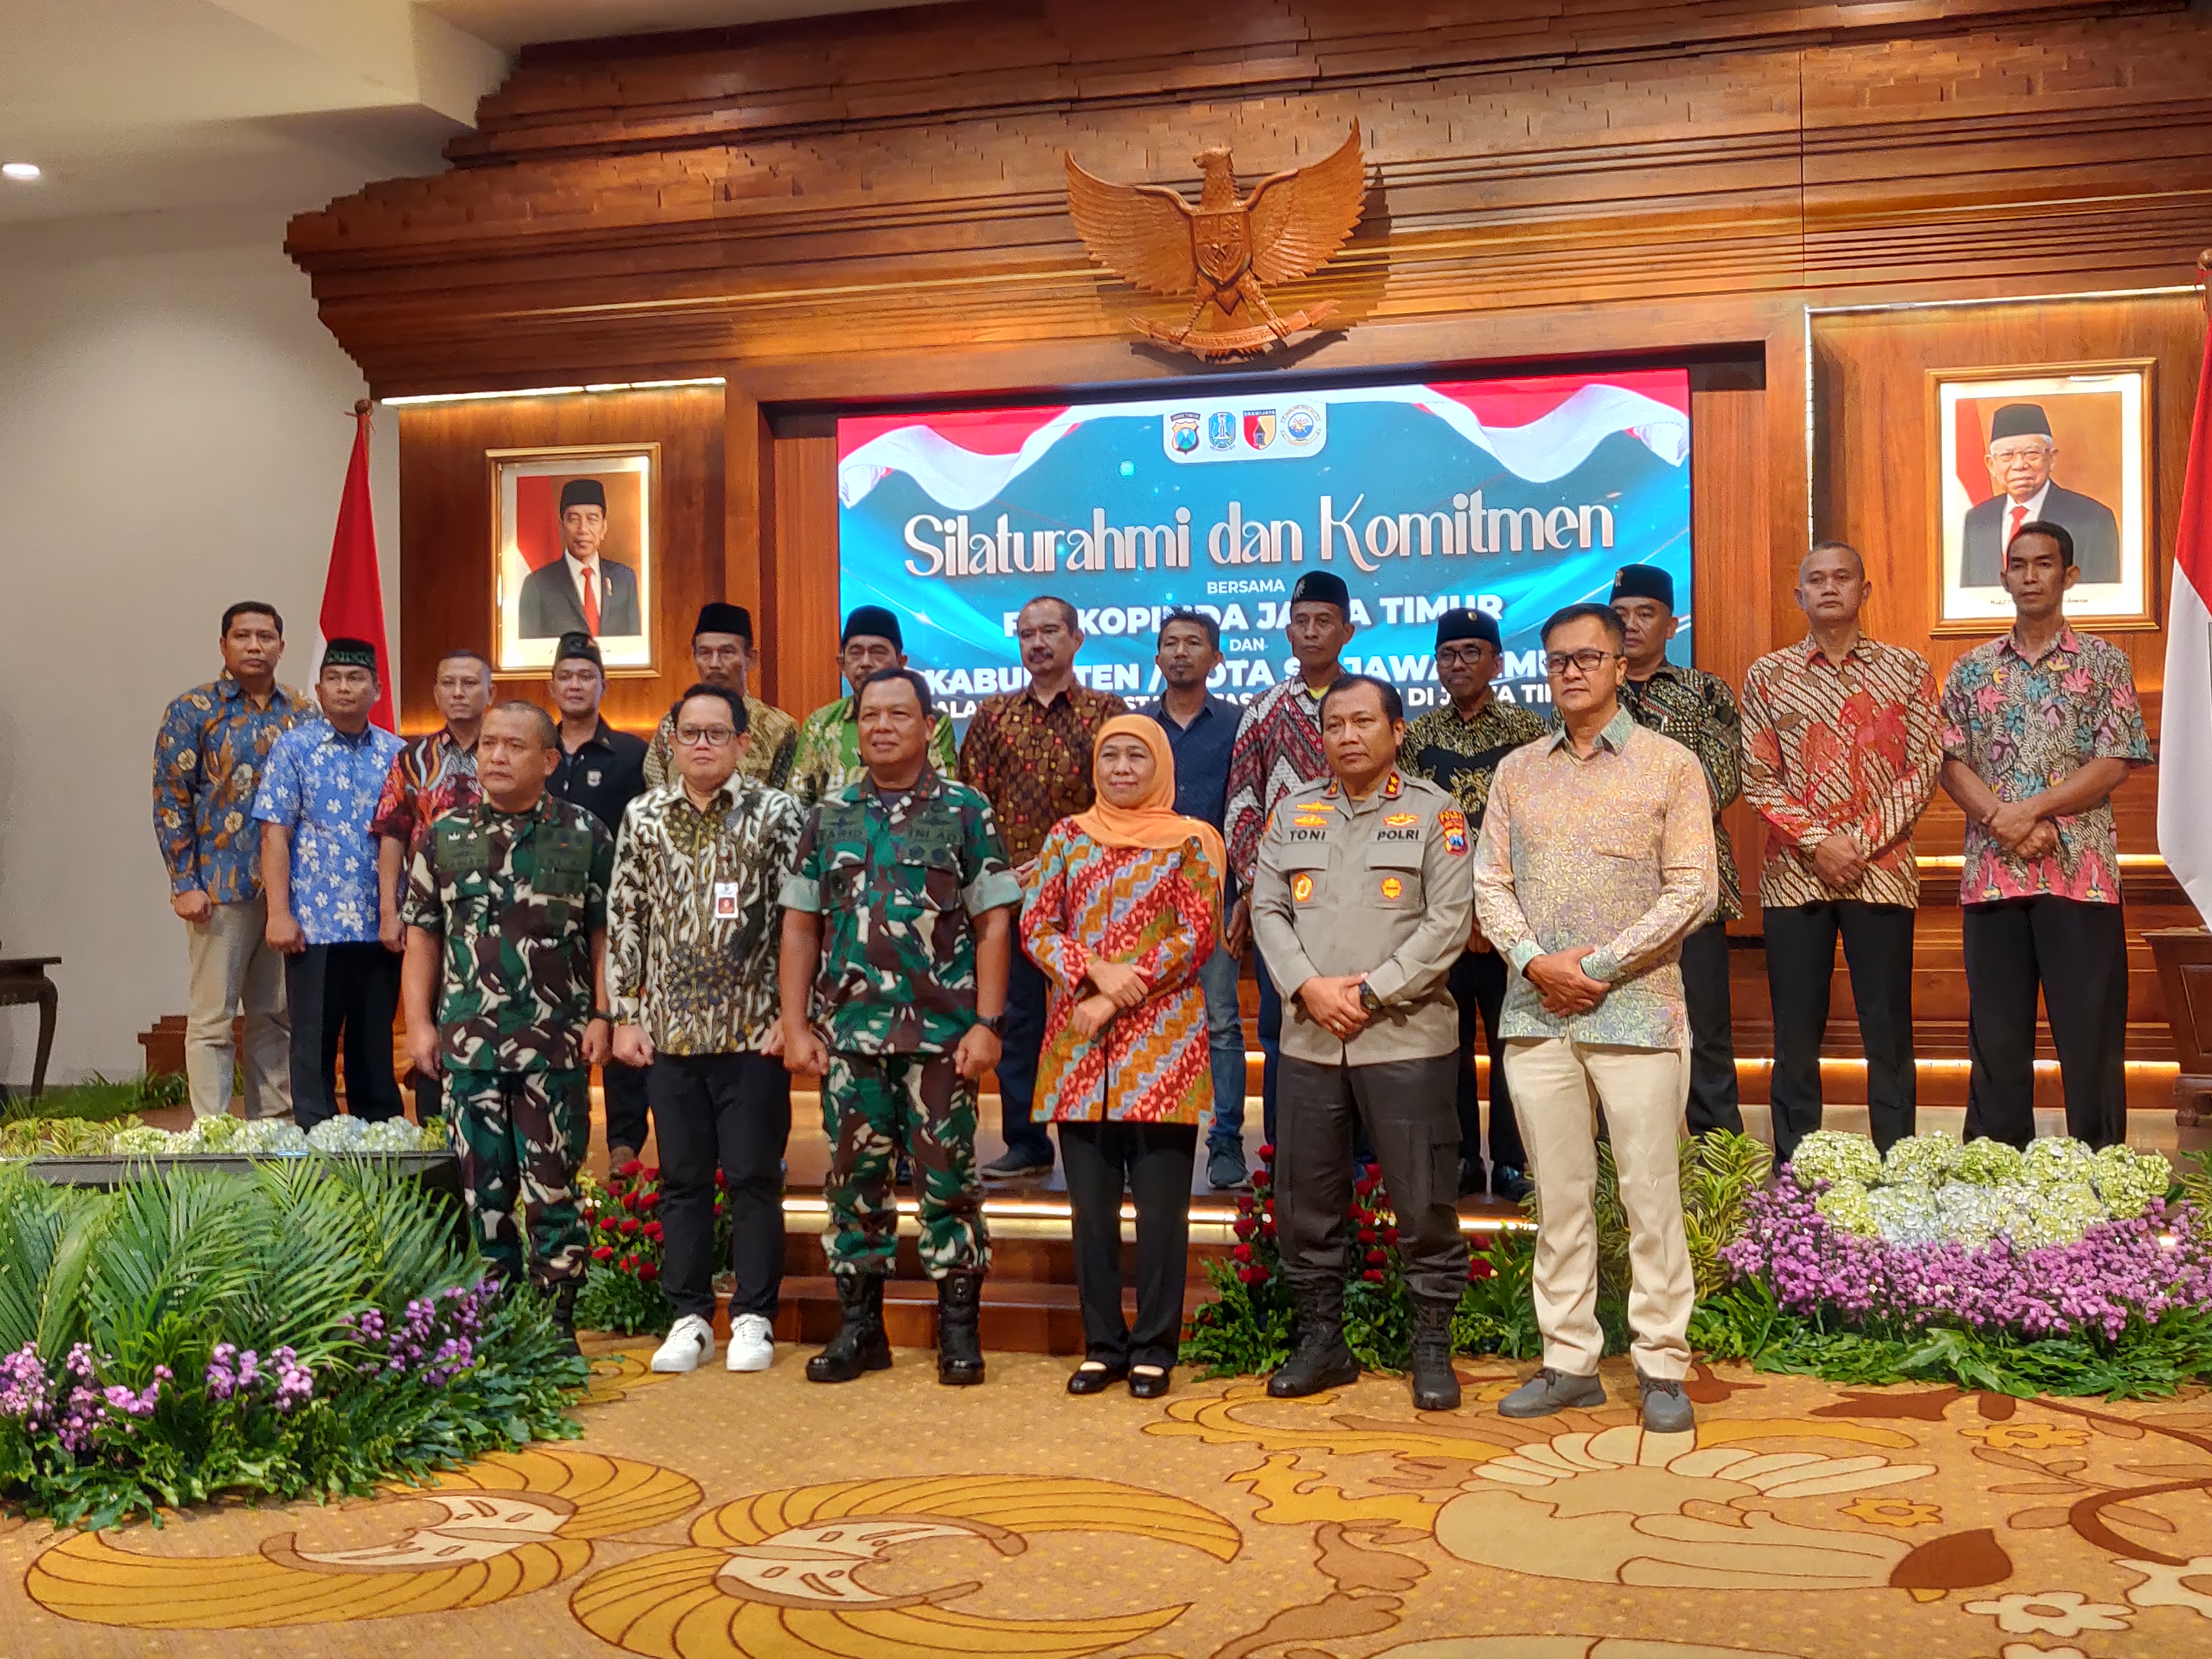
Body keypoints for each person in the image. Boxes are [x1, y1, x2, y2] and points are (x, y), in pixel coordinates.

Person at [1471, 603, 1715, 1434]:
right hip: (1537, 1015)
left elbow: (1693, 890)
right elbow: (1489, 885)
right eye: (1556, 660)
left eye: (1587, 657)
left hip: (1637, 1014)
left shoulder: (1670, 766)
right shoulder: (1516, 771)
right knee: (1560, 1197)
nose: (1570, 671)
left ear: (1620, 665)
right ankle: (1568, 1360)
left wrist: (1599, 967)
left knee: (1650, 1195)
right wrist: (1537, 963)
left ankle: (1660, 1365)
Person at [781, 667, 1020, 1387]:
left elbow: (993, 920)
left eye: (899, 714)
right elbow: (799, 924)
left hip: (943, 1038)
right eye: (869, 716)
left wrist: (987, 1022)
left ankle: (957, 1332)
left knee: (950, 1183)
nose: (882, 726)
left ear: (926, 725)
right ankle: (862, 1331)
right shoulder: (830, 815)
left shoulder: (964, 810)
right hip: (850, 1037)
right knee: (854, 1185)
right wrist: (794, 1023)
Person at [1250, 674, 1473, 1413]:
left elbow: (1448, 924)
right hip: (1311, 1042)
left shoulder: (1436, 815)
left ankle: (1431, 1351)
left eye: (1364, 722)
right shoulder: (1293, 812)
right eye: (1335, 724)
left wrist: (1372, 991)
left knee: (1424, 1201)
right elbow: (1268, 910)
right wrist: (1310, 988)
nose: (1348, 735)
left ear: (1397, 730)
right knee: (1307, 1201)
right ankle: (1324, 1344)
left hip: (1405, 1040)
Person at [400, 700, 615, 1353]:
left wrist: (606, 1013)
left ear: (549, 761)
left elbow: (606, 934)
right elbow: (422, 936)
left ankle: (556, 1323)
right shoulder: (444, 836)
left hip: (555, 1043)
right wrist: (418, 1026)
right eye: (488, 744)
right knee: (482, 1193)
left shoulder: (585, 834)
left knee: (553, 1189)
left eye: (513, 746)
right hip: (468, 1045)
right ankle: (496, 1322)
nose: (494, 756)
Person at [1023, 717, 1223, 1399]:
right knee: (1091, 1212)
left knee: (1162, 1211)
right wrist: (1091, 969)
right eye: (1110, 754)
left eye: (1138, 755)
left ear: (1161, 765)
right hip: (1082, 1054)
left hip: (1163, 1047)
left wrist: (1113, 992)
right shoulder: (1066, 839)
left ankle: (1155, 1348)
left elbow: (1195, 938)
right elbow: (1036, 926)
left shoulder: (1192, 842)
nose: (1122, 767)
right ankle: (1103, 1345)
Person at [609, 684, 803, 1376]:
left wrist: (792, 1015)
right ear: (670, 742)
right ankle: (688, 1317)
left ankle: (754, 1315)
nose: (700, 744)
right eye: (688, 732)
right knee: (683, 1182)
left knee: (754, 1178)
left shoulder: (778, 814)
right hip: (669, 1032)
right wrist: (625, 1014)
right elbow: (626, 915)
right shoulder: (645, 816)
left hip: (755, 1030)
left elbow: (796, 924)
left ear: (743, 744)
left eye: (716, 734)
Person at [1938, 521, 2151, 1148]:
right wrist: (2002, 822)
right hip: (1992, 879)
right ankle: (1997, 1175)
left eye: (2045, 564)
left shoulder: (2105, 662)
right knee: (1998, 1041)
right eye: (2019, 565)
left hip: (2079, 877)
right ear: (2003, 576)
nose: (2031, 576)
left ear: (2070, 576)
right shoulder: (1971, 669)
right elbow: (1949, 762)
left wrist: (2025, 812)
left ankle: (2103, 1172)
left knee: (2089, 1037)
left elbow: (2116, 759)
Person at [1740, 543, 1942, 1164]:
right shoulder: (1767, 676)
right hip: (1793, 878)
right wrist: (1818, 842)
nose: (1830, 589)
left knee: (1888, 1030)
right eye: (1816, 580)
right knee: (1795, 1032)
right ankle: (1796, 1163)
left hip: (1880, 876)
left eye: (1843, 578)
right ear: (1798, 595)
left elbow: (1925, 764)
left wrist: (1859, 842)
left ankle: (1898, 1161)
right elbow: (1757, 774)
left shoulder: (1906, 670)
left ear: (1865, 590)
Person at [957, 596, 1128, 1182]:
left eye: (1050, 631)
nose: (1037, 643)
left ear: (1077, 638)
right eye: (1026, 633)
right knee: (1018, 1019)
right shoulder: (992, 716)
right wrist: (1005, 874)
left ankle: (1103, 1141)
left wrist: (1065, 864)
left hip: (1092, 895)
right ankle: (1026, 1141)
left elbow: (1122, 797)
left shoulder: (1109, 711)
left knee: (1096, 1017)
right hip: (1013, 897)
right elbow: (972, 805)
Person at [1400, 607, 1547, 1201]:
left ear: (1497, 662)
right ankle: (1462, 1158)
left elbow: (1540, 830)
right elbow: (1410, 830)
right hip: (1443, 922)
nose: (1458, 665)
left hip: (1516, 918)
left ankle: (1514, 1161)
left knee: (1517, 1042)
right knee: (1448, 1047)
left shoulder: (1531, 732)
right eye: (1447, 655)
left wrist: (1493, 914)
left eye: (1471, 653)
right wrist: (1457, 915)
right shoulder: (1418, 738)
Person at [152, 601, 312, 1120]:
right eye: (242, 636)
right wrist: (185, 882)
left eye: (265, 637)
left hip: (284, 893)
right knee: (214, 1020)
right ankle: (212, 1133)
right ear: (224, 645)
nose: (254, 646)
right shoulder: (193, 710)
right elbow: (171, 799)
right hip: (219, 889)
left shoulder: (301, 712)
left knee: (275, 1015)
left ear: (281, 647)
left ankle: (274, 1129)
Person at [1610, 565, 1744, 1137]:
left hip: (1693, 892)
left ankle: (1721, 1172)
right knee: (1617, 1036)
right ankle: (1622, 1179)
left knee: (1706, 1033)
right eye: (1620, 616)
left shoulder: (1705, 691)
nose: (1633, 625)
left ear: (1672, 623)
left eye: (1646, 614)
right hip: (1610, 894)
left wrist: (1636, 809)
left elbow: (1721, 780)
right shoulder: (1589, 695)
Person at [251, 639, 407, 1130]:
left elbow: (404, 836)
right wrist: (279, 912)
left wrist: (394, 912)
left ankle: (380, 1134)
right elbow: (275, 832)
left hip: (379, 920)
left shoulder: (397, 753)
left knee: (373, 1037)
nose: (345, 687)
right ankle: (317, 1133)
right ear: (318, 689)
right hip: (313, 924)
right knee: (313, 1037)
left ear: (377, 690)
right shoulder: (294, 747)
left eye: (356, 678)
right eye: (334, 678)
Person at [1223, 569, 1356, 1145]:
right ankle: (1285, 1157)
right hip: (1286, 904)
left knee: (1359, 1025)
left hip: (1363, 898)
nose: (1311, 633)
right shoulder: (1263, 711)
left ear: (1347, 631)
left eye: (1323, 622)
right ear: (1287, 632)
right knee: (1283, 1034)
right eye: (1301, 623)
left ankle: (1365, 1169)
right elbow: (1242, 806)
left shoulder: (1368, 702)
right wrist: (1257, 890)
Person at [1139, 608, 1250, 1190]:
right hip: (1140, 902)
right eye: (1170, 644)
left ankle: (1226, 1142)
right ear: (1157, 657)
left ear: (1217, 657)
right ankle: (1151, 1139)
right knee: (1146, 1020)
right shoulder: (1136, 727)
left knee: (1222, 1022)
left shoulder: (1238, 723)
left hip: (1215, 894)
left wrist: (1245, 893)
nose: (1180, 652)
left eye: (1194, 643)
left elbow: (1248, 811)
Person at [545, 631, 652, 1164]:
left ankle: (624, 1151)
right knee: (562, 1030)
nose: (575, 684)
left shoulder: (632, 753)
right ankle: (562, 1148)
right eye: (566, 675)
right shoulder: (535, 749)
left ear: (603, 685)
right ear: (552, 685)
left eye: (586, 675)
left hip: (617, 915)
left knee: (619, 1027)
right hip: (547, 920)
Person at [373, 647, 492, 1120]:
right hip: (430, 915)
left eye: (469, 682)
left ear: (490, 691)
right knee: (429, 1021)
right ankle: (436, 1131)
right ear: (437, 691)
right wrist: (389, 910)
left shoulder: (508, 745)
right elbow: (392, 836)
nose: (459, 692)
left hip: (500, 913)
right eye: (449, 683)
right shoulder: (414, 758)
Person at [789, 605, 958, 807]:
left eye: (878, 653)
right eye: (856, 653)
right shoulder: (821, 723)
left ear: (901, 662)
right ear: (842, 665)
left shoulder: (931, 721)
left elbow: (945, 797)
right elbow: (796, 805)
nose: (866, 663)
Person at [1960, 405, 2121, 587]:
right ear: (1991, 464)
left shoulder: (2093, 519)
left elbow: (2103, 600)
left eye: (2031, 453)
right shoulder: (1978, 519)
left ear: (2052, 459)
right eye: (2007, 456)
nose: (2019, 465)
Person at [643, 604, 797, 791]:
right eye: (705, 653)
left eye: (727, 652)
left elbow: (791, 803)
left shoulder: (779, 729)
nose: (715, 664)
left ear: (751, 658)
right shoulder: (672, 726)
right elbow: (655, 796)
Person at [518, 477, 643, 638]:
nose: (583, 529)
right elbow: (529, 651)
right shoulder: (537, 584)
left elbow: (633, 646)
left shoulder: (624, 579)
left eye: (592, 519)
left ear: (604, 528)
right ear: (562, 527)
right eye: (574, 519)